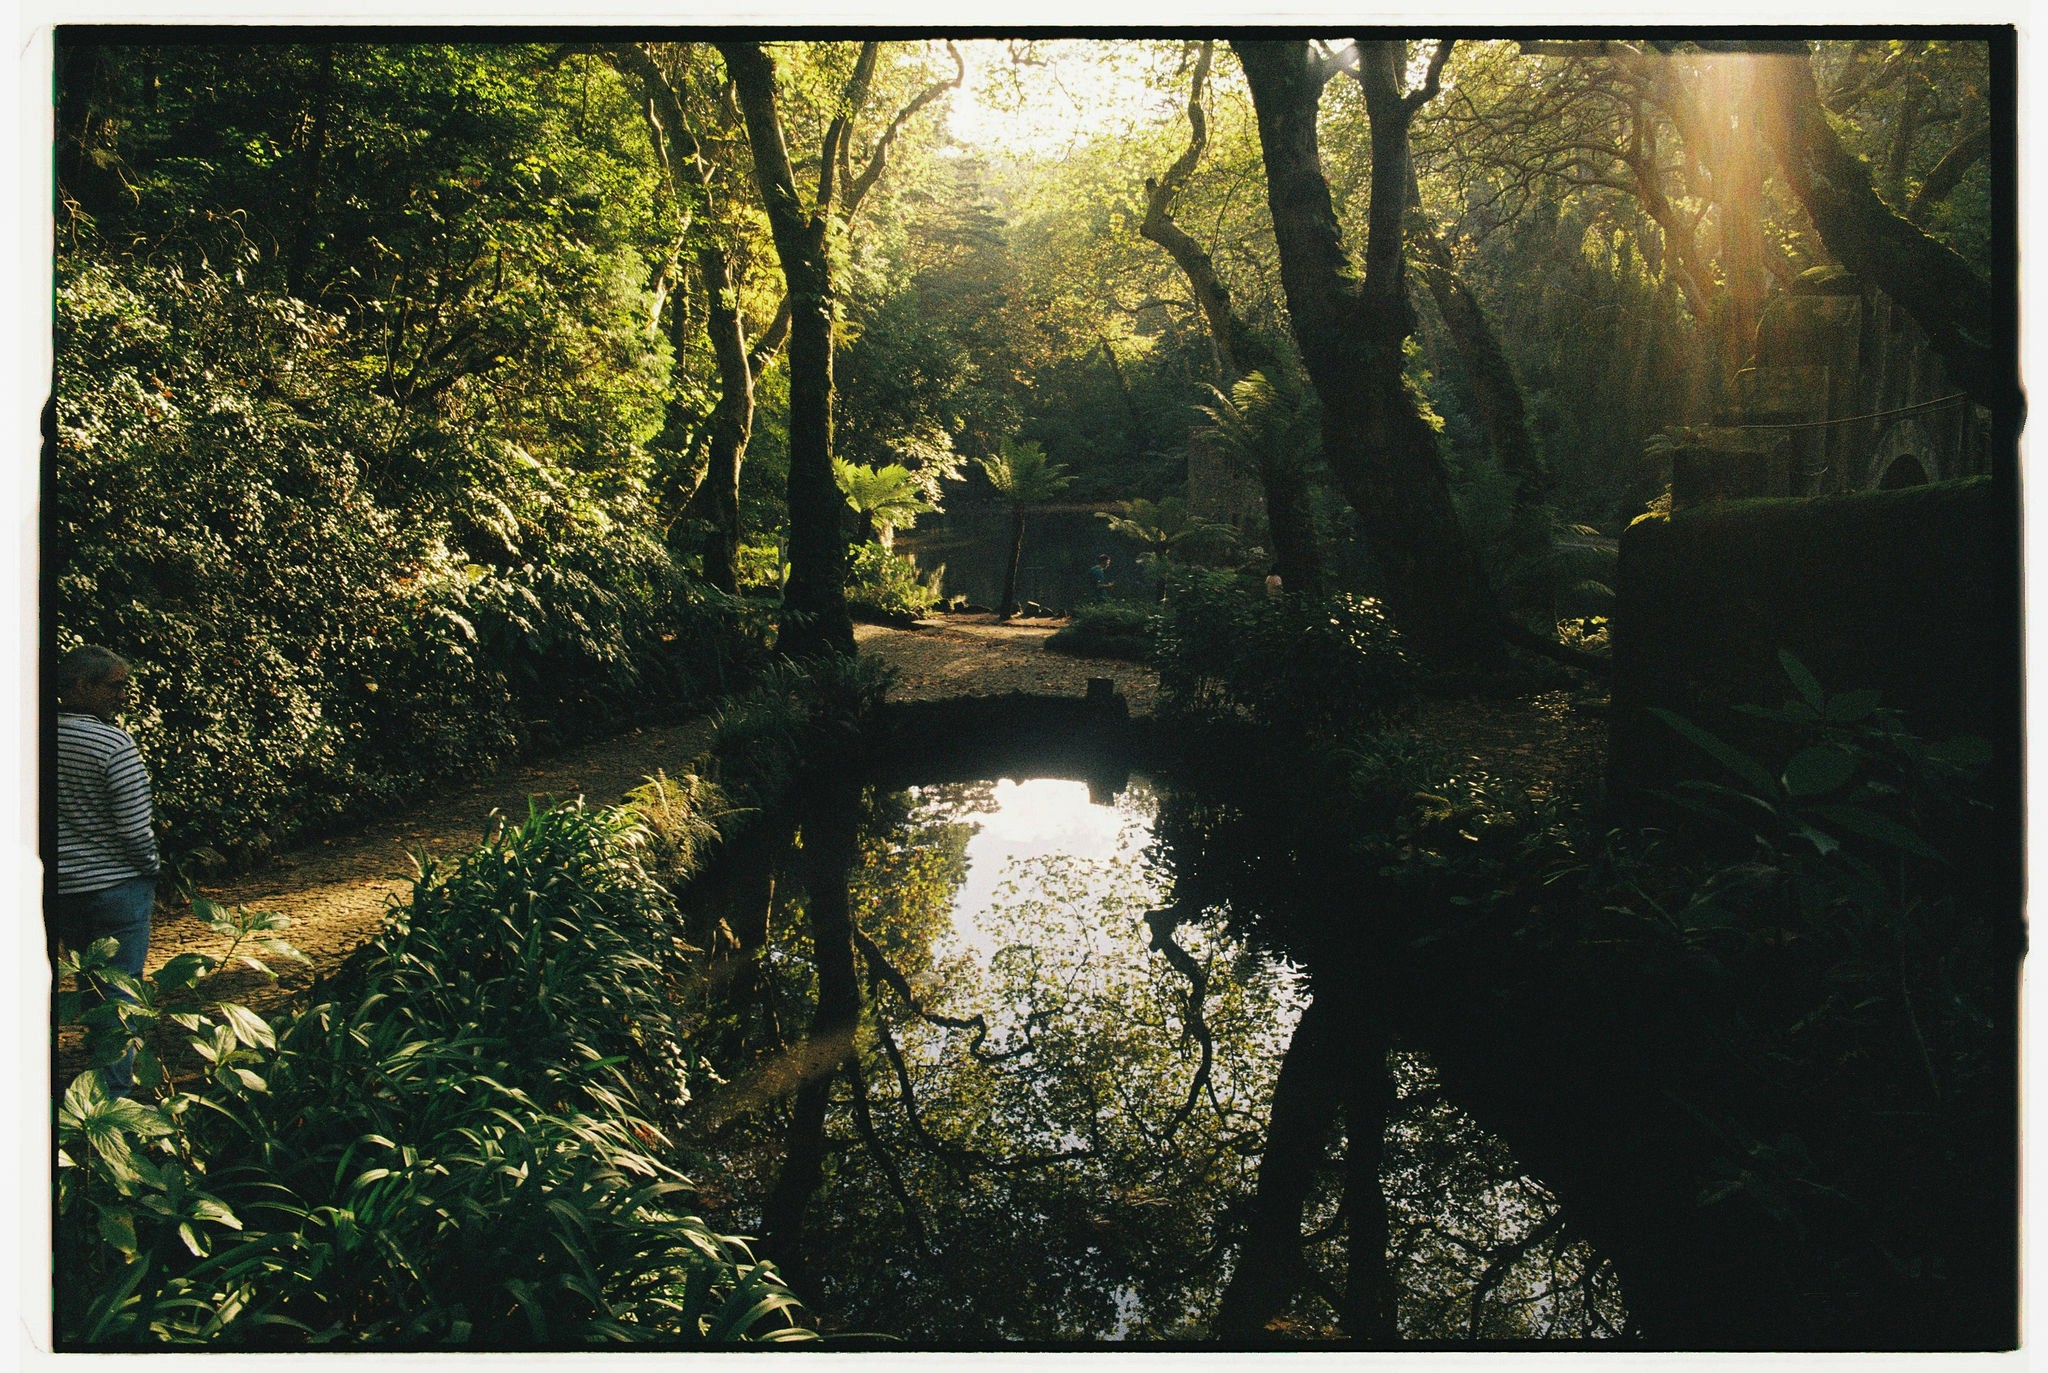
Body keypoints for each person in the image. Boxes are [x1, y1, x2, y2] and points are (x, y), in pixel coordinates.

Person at [52, 644, 159, 1096]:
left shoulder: (29, 734)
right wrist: (152, 868)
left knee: (65, 990)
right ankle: (112, 1103)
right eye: (115, 687)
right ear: (80, 686)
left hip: (56, 889)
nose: (124, 696)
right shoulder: (114, 745)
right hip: (116, 890)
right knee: (117, 995)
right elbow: (136, 831)